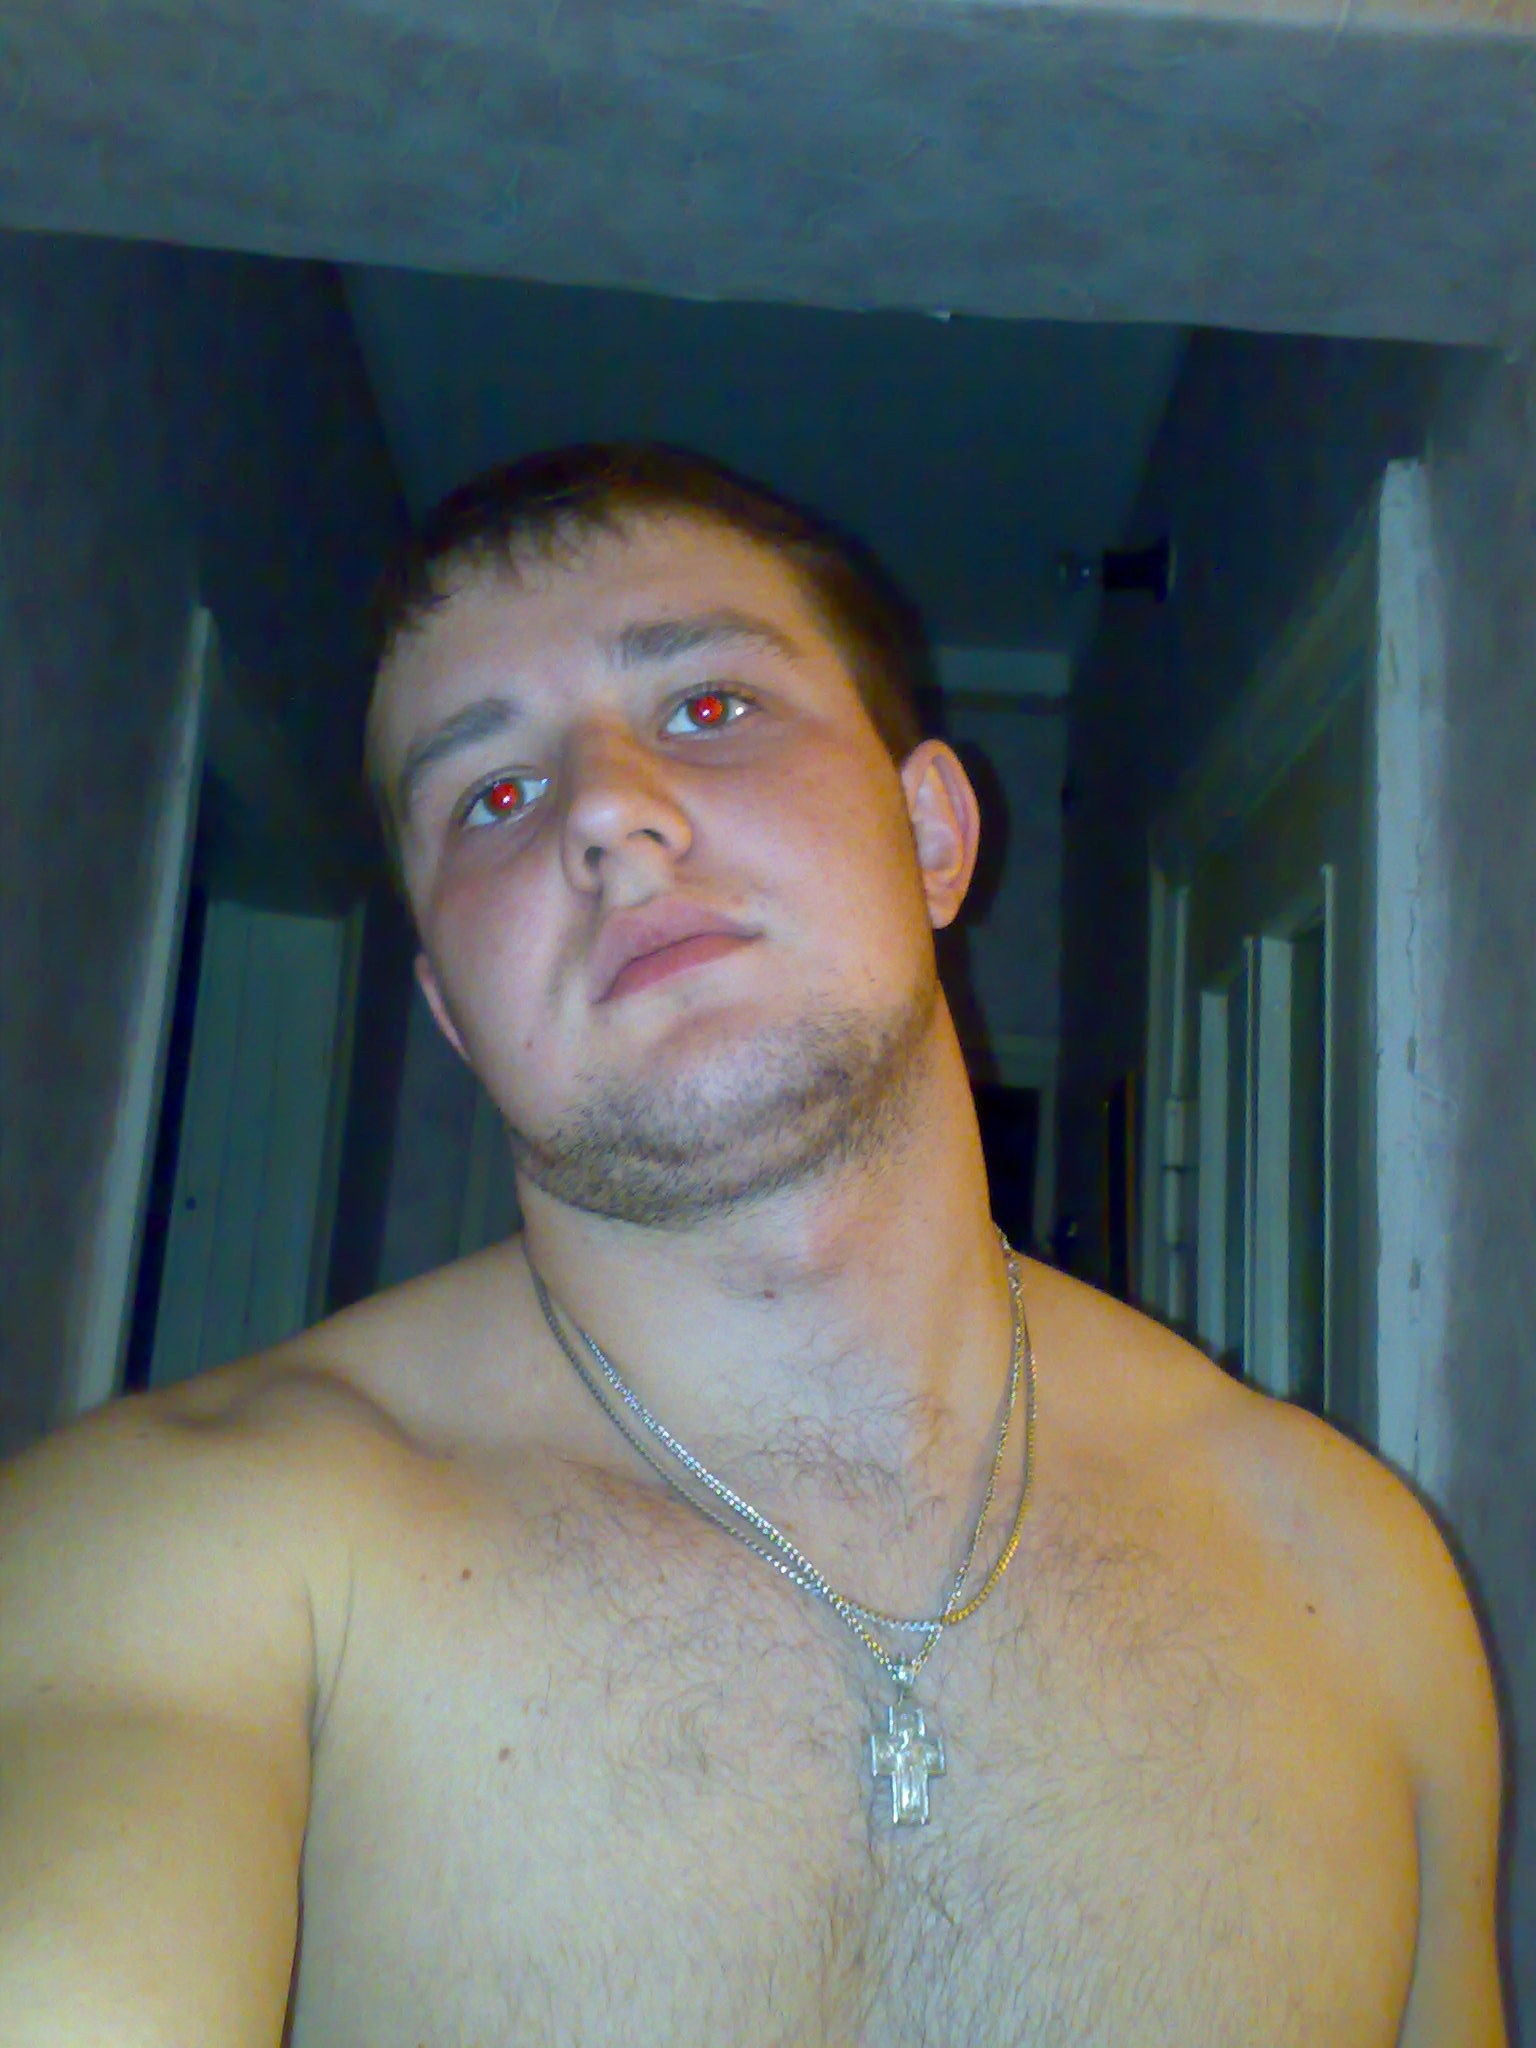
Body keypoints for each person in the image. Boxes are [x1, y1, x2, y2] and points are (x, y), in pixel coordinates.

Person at [0, 444, 1505, 2046]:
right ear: (452, 1008)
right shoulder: (173, 1552)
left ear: (933, 834)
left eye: (708, 706)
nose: (608, 814)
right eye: (492, 796)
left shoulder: (1358, 1575)